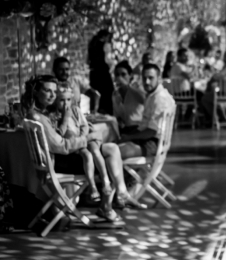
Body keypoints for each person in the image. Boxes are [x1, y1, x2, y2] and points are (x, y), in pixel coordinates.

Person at [22, 76, 142, 222]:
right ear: (35, 92)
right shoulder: (39, 117)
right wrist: (87, 138)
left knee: (112, 148)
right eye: (48, 91)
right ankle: (107, 203)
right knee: (109, 159)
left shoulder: (42, 111)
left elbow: (70, 129)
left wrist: (86, 132)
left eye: (54, 91)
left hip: (64, 156)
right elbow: (61, 145)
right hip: (60, 162)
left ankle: (112, 198)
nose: (53, 95)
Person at [52, 85, 110, 204]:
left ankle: (105, 181)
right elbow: (59, 135)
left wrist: (83, 137)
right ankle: (92, 186)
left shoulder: (75, 110)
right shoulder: (55, 116)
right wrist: (65, 119)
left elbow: (84, 125)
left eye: (68, 100)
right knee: (87, 155)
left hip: (83, 140)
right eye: (61, 100)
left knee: (95, 150)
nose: (65, 104)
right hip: (72, 146)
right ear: (55, 101)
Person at [118, 64, 176, 160]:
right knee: (113, 146)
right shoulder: (153, 95)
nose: (147, 82)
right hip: (150, 140)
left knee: (114, 152)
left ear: (159, 78)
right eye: (144, 78)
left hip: (152, 144)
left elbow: (151, 132)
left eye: (151, 78)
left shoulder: (160, 98)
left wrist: (129, 137)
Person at [111, 61, 145, 131]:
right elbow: (118, 116)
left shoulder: (137, 89)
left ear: (130, 76)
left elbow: (146, 100)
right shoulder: (115, 94)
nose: (120, 77)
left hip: (139, 129)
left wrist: (126, 85)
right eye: (117, 75)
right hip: (125, 130)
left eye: (123, 74)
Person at [87, 29, 115, 114]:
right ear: (106, 37)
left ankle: (96, 112)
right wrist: (112, 65)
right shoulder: (106, 45)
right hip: (103, 73)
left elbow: (88, 61)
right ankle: (106, 113)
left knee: (96, 94)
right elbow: (107, 60)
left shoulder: (92, 44)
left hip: (94, 73)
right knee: (107, 93)